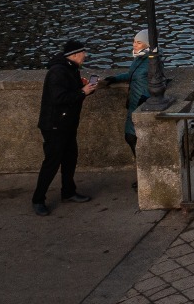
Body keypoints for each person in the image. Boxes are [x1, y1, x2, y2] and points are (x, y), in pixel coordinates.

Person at [32, 40, 99, 215]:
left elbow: (72, 95)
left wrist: (84, 88)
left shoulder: (70, 68)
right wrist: (82, 91)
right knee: (52, 163)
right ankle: (38, 199)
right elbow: (59, 98)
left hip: (67, 123)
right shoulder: (58, 72)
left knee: (70, 158)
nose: (85, 56)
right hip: (54, 125)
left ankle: (68, 192)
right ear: (76, 54)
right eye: (83, 53)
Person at [105, 29, 155, 160]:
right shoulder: (138, 59)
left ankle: (143, 173)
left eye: (138, 42)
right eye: (134, 41)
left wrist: (145, 97)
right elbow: (131, 75)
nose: (134, 45)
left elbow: (156, 80)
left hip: (141, 102)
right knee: (130, 137)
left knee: (134, 137)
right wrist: (115, 79)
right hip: (133, 103)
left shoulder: (152, 61)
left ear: (147, 45)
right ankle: (141, 170)